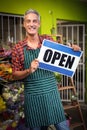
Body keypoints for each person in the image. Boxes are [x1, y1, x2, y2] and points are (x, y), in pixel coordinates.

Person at [11, 9, 81, 130]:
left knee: (63, 127)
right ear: (24, 24)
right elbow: (15, 75)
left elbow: (63, 53)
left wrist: (73, 50)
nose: (31, 24)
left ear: (39, 24)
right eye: (28, 21)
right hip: (33, 98)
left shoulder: (47, 41)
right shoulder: (18, 48)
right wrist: (28, 70)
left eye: (34, 21)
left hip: (52, 94)